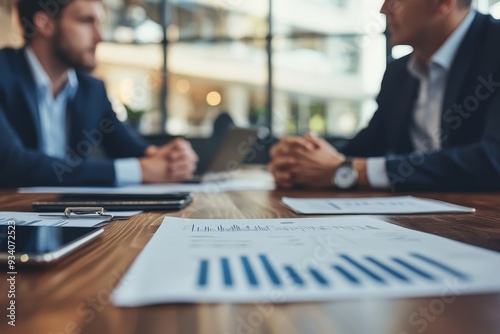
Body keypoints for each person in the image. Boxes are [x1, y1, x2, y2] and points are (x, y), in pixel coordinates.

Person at [268, 0, 500, 191]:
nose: (383, 9)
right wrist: (301, 159)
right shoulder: (399, 72)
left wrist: (350, 171)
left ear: (443, 3)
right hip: (421, 221)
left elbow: (493, 159)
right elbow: (369, 145)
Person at [0, 0, 198, 188]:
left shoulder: (92, 89)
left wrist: (171, 158)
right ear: (45, 24)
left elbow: (128, 147)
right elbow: (12, 163)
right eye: (86, 21)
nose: (100, 37)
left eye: (99, 23)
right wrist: (140, 170)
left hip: (68, 216)